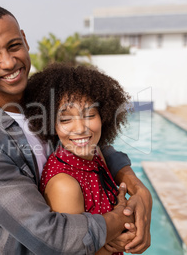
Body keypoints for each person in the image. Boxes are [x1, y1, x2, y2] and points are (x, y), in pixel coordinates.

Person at [0, 4, 152, 254]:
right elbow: (50, 237)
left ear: (25, 40)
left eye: (14, 46)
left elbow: (89, 143)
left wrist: (139, 189)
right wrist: (121, 220)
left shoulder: (44, 95)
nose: (8, 62)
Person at [23, 63, 138, 254]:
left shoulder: (95, 155)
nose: (80, 128)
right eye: (66, 119)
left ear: (104, 115)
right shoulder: (65, 185)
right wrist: (119, 239)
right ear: (51, 124)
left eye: (90, 114)